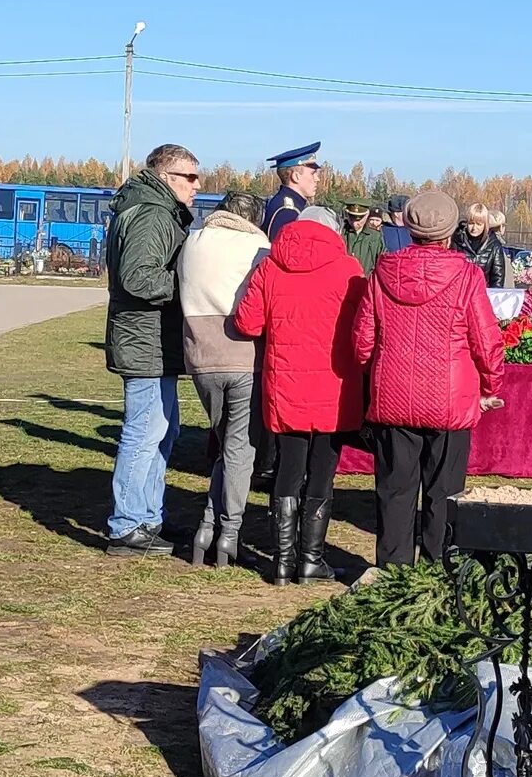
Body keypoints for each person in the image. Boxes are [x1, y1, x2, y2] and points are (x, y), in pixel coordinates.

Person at [354, 190, 503, 569]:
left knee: (394, 492)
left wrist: (376, 372)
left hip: (394, 396)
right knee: (445, 494)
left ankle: (392, 574)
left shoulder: (383, 271)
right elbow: (486, 339)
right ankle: (440, 573)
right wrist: (491, 385)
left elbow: (362, 342)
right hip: (449, 399)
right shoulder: (467, 275)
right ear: (450, 231)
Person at [231, 204, 365, 583]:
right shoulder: (348, 268)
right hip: (334, 386)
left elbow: (248, 321)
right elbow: (364, 323)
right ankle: (311, 560)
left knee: (288, 469)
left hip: (286, 382)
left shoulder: (270, 266)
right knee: (322, 471)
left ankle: (282, 561)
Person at [102, 143, 198, 555]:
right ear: (165, 177)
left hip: (155, 339)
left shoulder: (155, 210)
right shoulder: (152, 214)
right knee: (144, 432)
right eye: (189, 178)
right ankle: (126, 525)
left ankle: (148, 517)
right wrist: (191, 285)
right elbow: (139, 279)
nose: (197, 186)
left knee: (164, 430)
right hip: (145, 340)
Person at [178, 191, 269, 568]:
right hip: (244, 356)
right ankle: (229, 532)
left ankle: (207, 525)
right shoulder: (258, 245)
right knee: (239, 451)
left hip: (201, 357)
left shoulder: (193, 240)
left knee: (223, 443)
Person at [260, 143, 324, 240]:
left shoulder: (287, 203)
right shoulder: (287, 212)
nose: (317, 179)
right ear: (296, 177)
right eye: (312, 173)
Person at [453, 203, 511, 288]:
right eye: (471, 223)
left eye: (479, 224)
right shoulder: (457, 241)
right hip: (460, 294)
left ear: (485, 225)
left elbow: (497, 279)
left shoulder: (494, 245)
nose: (474, 228)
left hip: (483, 294)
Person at [341, 200, 385, 275]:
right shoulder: (340, 233)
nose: (355, 223)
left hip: (366, 283)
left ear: (367, 215)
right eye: (352, 218)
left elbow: (382, 263)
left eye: (359, 219)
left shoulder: (375, 237)